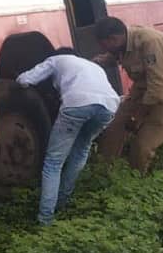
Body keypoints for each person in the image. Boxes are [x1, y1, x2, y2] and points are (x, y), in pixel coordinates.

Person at [16, 47, 120, 225]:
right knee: (81, 151)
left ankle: (45, 219)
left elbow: (25, 80)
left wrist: (18, 82)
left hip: (77, 103)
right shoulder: (93, 66)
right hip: (109, 107)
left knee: (53, 163)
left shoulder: (56, 60)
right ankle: (63, 203)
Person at [93, 17, 163, 172]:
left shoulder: (150, 43)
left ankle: (137, 178)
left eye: (105, 46)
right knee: (113, 129)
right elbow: (115, 57)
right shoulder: (122, 43)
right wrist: (93, 63)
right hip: (142, 89)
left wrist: (137, 117)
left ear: (114, 38)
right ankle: (104, 171)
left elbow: (157, 88)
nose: (105, 49)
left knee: (142, 146)